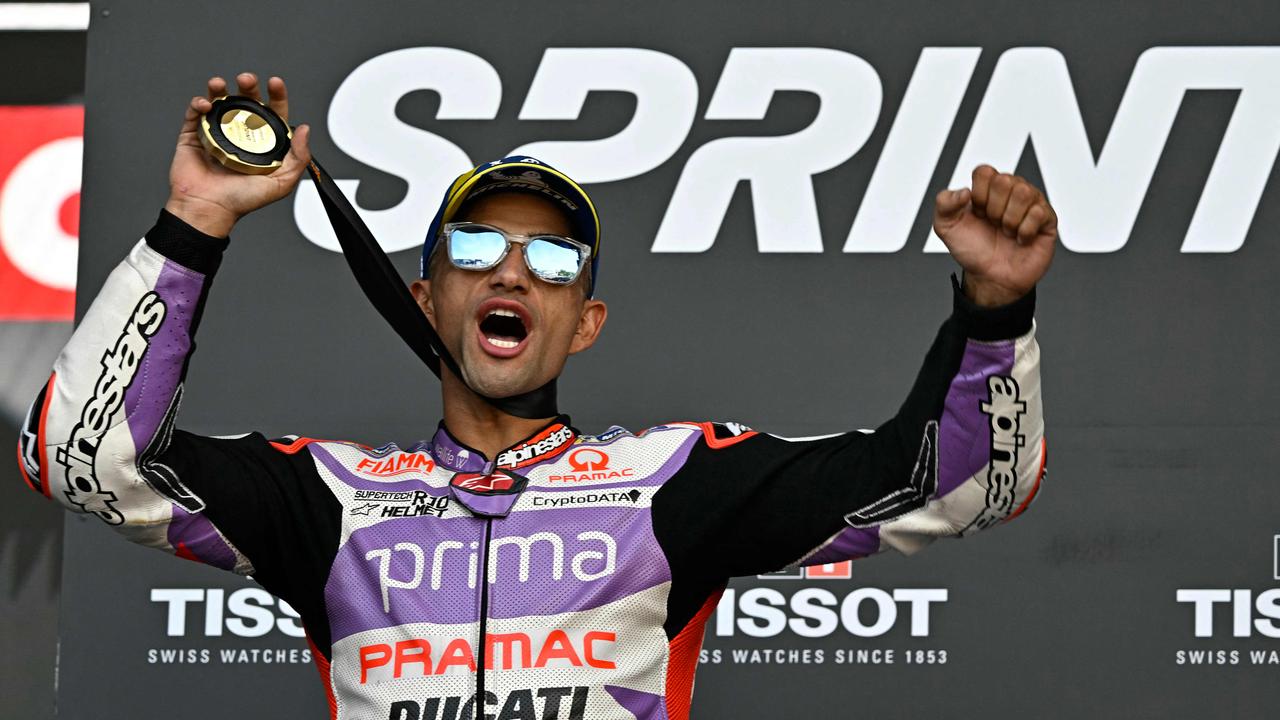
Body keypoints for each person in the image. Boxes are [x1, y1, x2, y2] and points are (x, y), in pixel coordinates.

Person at [17, 73, 1054, 720]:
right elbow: (79, 455)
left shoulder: (672, 482)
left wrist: (994, 310)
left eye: (552, 262)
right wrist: (192, 222)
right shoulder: (332, 501)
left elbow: (962, 485)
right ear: (427, 298)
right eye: (475, 249)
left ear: (584, 322)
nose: (510, 274)